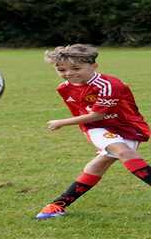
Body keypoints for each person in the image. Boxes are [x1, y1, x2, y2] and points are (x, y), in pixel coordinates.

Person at [35, 44, 150, 220]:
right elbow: (86, 116)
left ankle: (58, 205)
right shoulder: (64, 88)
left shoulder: (109, 84)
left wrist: (61, 122)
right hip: (97, 128)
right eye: (61, 69)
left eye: (76, 68)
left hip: (126, 126)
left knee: (99, 164)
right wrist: (105, 141)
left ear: (94, 66)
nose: (69, 73)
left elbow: (97, 114)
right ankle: (56, 206)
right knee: (124, 152)